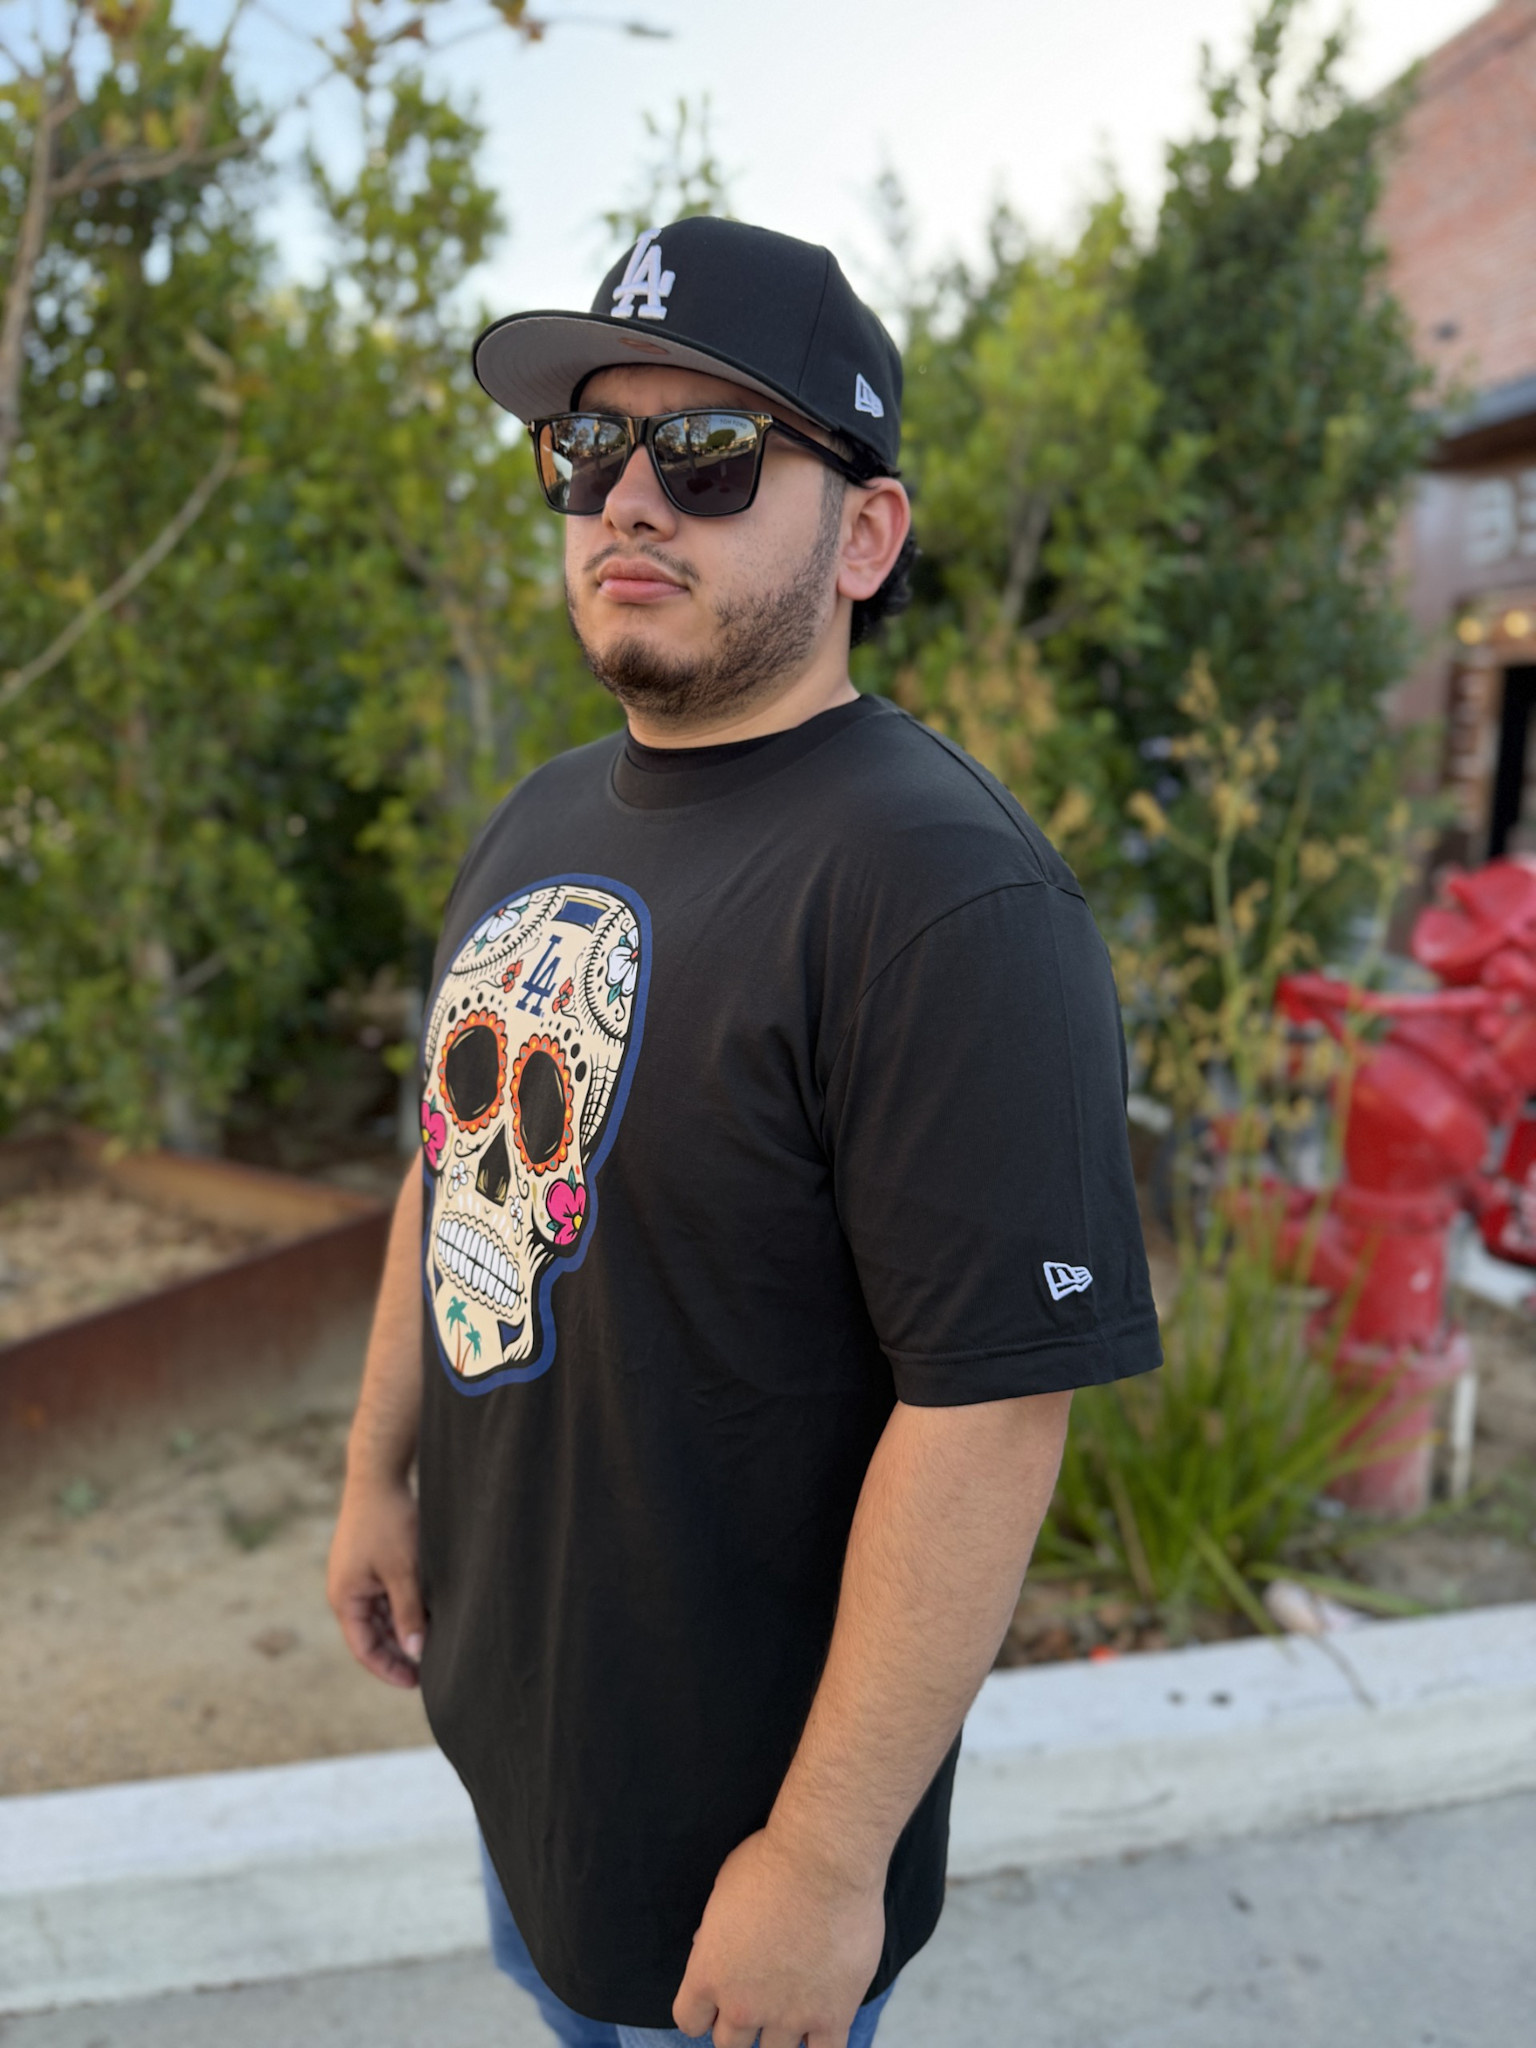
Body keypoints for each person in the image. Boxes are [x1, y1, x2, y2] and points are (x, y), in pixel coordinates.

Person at [327, 216, 1161, 2048]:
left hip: (738, 1861)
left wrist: (826, 1857)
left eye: (708, 452)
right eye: (586, 447)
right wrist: (379, 1473)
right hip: (528, 1752)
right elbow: (453, 1173)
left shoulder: (946, 896)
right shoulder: (539, 818)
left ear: (866, 535)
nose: (628, 498)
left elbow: (991, 1408)